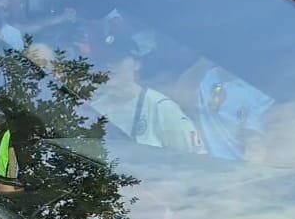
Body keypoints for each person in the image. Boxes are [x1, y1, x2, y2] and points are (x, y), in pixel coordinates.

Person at [85, 19, 206, 155]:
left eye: (117, 59)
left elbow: (198, 159)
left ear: (137, 64)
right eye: (104, 61)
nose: (109, 66)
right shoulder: (95, 109)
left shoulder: (163, 109)